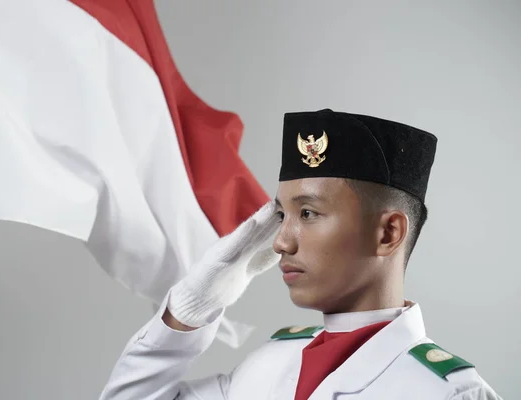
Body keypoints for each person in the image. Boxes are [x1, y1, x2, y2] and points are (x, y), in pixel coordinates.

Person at [98, 109, 503, 399]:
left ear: (387, 232)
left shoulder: (448, 393)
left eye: (307, 213)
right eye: (281, 214)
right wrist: (187, 311)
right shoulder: (266, 368)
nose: (281, 242)